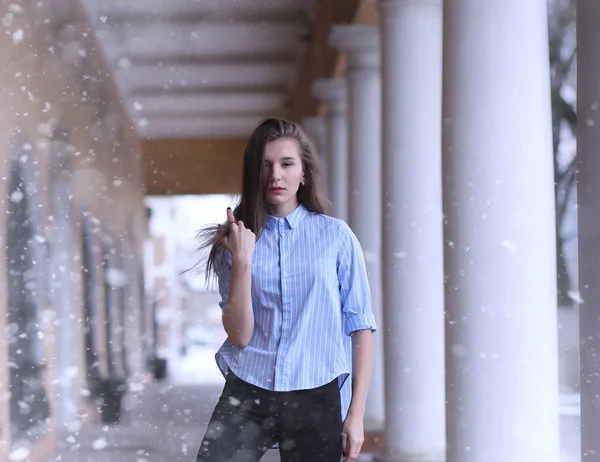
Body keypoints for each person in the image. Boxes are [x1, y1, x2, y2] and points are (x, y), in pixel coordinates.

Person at [195, 118, 376, 462]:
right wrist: (243, 262)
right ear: (253, 173)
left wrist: (355, 414)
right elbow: (240, 335)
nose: (275, 175)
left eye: (286, 164)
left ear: (303, 174)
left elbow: (361, 326)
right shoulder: (232, 244)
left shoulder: (336, 238)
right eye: (265, 165)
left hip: (316, 394)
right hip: (248, 391)